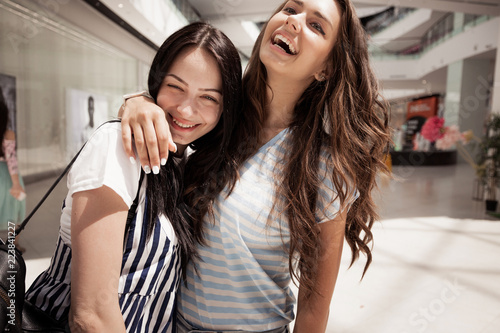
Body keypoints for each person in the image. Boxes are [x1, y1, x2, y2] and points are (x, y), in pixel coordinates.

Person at [120, 0, 391, 332]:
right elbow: (176, 108)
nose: (294, 22)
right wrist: (138, 101)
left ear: (326, 68)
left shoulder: (323, 165)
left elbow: (313, 308)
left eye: (316, 26)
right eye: (291, 9)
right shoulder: (219, 117)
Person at [25, 22, 242, 332]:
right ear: (156, 82)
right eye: (175, 86)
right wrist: (136, 102)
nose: (186, 109)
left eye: (208, 98)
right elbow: (90, 317)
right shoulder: (116, 148)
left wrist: (135, 102)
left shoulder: (185, 163)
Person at [0, 87, 26, 252]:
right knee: (15, 209)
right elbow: (11, 160)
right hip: (6, 175)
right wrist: (16, 184)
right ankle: (13, 244)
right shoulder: (8, 133)